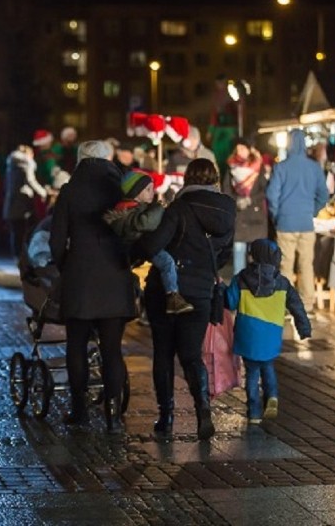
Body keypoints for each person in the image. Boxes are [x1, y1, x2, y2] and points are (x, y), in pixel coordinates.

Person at [139, 158, 236, 440]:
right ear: (215, 179)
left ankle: (166, 415)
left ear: (187, 179)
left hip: (168, 292)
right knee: (192, 355)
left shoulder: (179, 208)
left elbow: (153, 245)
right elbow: (225, 254)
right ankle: (202, 409)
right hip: (201, 290)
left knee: (164, 353)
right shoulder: (227, 210)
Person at [50, 140, 137, 433]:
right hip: (114, 275)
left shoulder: (70, 190)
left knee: (76, 344)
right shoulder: (120, 189)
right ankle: (113, 415)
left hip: (81, 276)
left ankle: (80, 410)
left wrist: (66, 266)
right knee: (111, 349)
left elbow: (56, 239)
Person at [225, 238, 311, 424]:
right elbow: (296, 306)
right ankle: (272, 396)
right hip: (271, 334)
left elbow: (230, 302)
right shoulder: (282, 283)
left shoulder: (241, 279)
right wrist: (303, 327)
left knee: (252, 373)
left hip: (248, 334)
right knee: (268, 366)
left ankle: (254, 412)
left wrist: (222, 290)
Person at [104, 171, 192, 314]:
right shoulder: (130, 210)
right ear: (136, 192)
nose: (153, 192)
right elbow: (147, 222)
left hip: (134, 249)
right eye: (148, 189)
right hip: (139, 246)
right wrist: (160, 207)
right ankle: (173, 296)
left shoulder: (125, 208)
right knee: (167, 262)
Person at [266, 129, 329, 314]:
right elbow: (323, 195)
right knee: (306, 264)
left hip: (285, 223)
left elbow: (272, 195)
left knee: (286, 265)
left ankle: (286, 303)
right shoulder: (314, 167)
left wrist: (277, 215)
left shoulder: (282, 167)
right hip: (306, 224)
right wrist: (313, 211)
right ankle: (307, 304)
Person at [222, 138, 268, 273]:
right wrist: (236, 201)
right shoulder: (231, 169)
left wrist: (250, 200)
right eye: (238, 149)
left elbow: (264, 190)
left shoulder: (259, 167)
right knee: (238, 254)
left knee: (257, 256)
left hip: (256, 218)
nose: (240, 151)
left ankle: (257, 286)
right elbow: (226, 190)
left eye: (243, 148)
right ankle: (239, 286)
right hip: (240, 218)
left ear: (249, 150)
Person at [4, 145, 47, 258]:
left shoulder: (11, 165)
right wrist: (43, 193)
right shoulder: (26, 164)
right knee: (26, 231)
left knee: (15, 232)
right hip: (23, 203)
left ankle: (16, 255)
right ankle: (24, 256)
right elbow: (31, 181)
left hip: (11, 203)